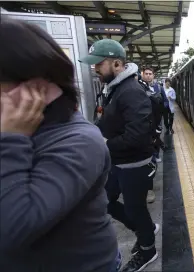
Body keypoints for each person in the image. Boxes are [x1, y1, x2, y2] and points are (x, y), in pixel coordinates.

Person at [0, 19, 120, 271]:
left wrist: (11, 139)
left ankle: (147, 240)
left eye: (99, 64)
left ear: (35, 87)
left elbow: (12, 229)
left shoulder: (79, 140)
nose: (95, 70)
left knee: (130, 207)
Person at [79, 39, 159, 272]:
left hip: (136, 164)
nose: (95, 69)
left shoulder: (131, 92)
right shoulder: (113, 88)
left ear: (116, 63)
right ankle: (144, 229)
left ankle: (148, 249)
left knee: (136, 208)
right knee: (104, 200)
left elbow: (137, 137)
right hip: (118, 162)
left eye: (99, 64)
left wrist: (104, 142)